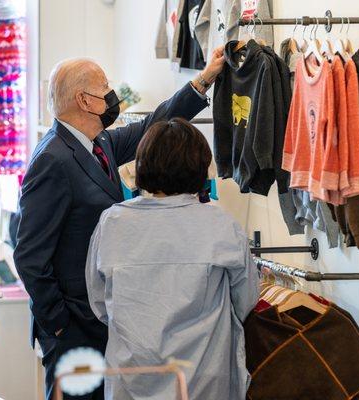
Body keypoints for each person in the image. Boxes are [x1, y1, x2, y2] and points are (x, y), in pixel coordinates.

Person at [14, 49, 226, 400]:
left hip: (100, 320)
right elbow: (29, 256)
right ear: (85, 100)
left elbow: (153, 124)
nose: (112, 95)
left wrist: (203, 79)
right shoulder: (52, 159)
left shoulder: (100, 144)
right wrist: (61, 324)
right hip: (73, 328)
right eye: (105, 87)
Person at [86, 118, 260, 399]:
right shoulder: (219, 225)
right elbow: (246, 301)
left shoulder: (113, 222)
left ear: (142, 163)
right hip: (204, 378)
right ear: (200, 167)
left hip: (131, 378)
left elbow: (99, 303)